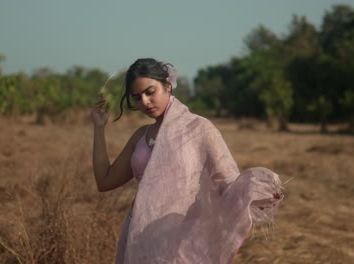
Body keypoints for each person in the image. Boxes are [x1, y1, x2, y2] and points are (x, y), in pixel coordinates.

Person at [91, 58, 283, 264]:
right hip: (139, 236)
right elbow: (105, 180)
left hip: (180, 240)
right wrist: (99, 128)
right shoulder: (140, 136)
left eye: (150, 92)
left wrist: (254, 192)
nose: (144, 102)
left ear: (167, 85)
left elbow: (226, 182)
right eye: (137, 97)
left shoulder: (198, 129)